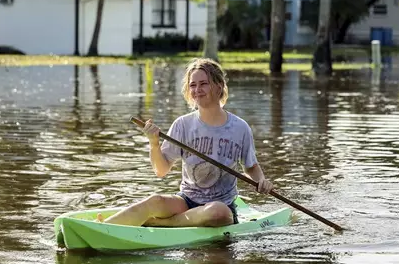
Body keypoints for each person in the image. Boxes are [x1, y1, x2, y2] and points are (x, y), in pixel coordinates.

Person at [98, 58, 273, 227]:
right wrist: (154, 143)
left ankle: (164, 223)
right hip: (186, 201)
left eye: (203, 83)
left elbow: (251, 167)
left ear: (219, 86)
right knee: (155, 201)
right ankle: (102, 228)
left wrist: (261, 181)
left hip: (221, 208)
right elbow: (161, 170)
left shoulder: (240, 128)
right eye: (193, 85)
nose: (197, 90)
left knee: (218, 212)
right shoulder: (182, 124)